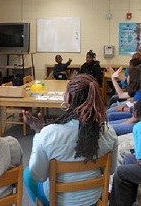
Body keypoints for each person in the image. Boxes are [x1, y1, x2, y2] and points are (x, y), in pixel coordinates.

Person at [22, 74, 118, 206]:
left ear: (68, 97)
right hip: (92, 199)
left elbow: (38, 176)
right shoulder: (109, 132)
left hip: (59, 200)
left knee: (27, 174)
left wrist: (39, 133)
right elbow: (111, 170)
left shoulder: (48, 134)